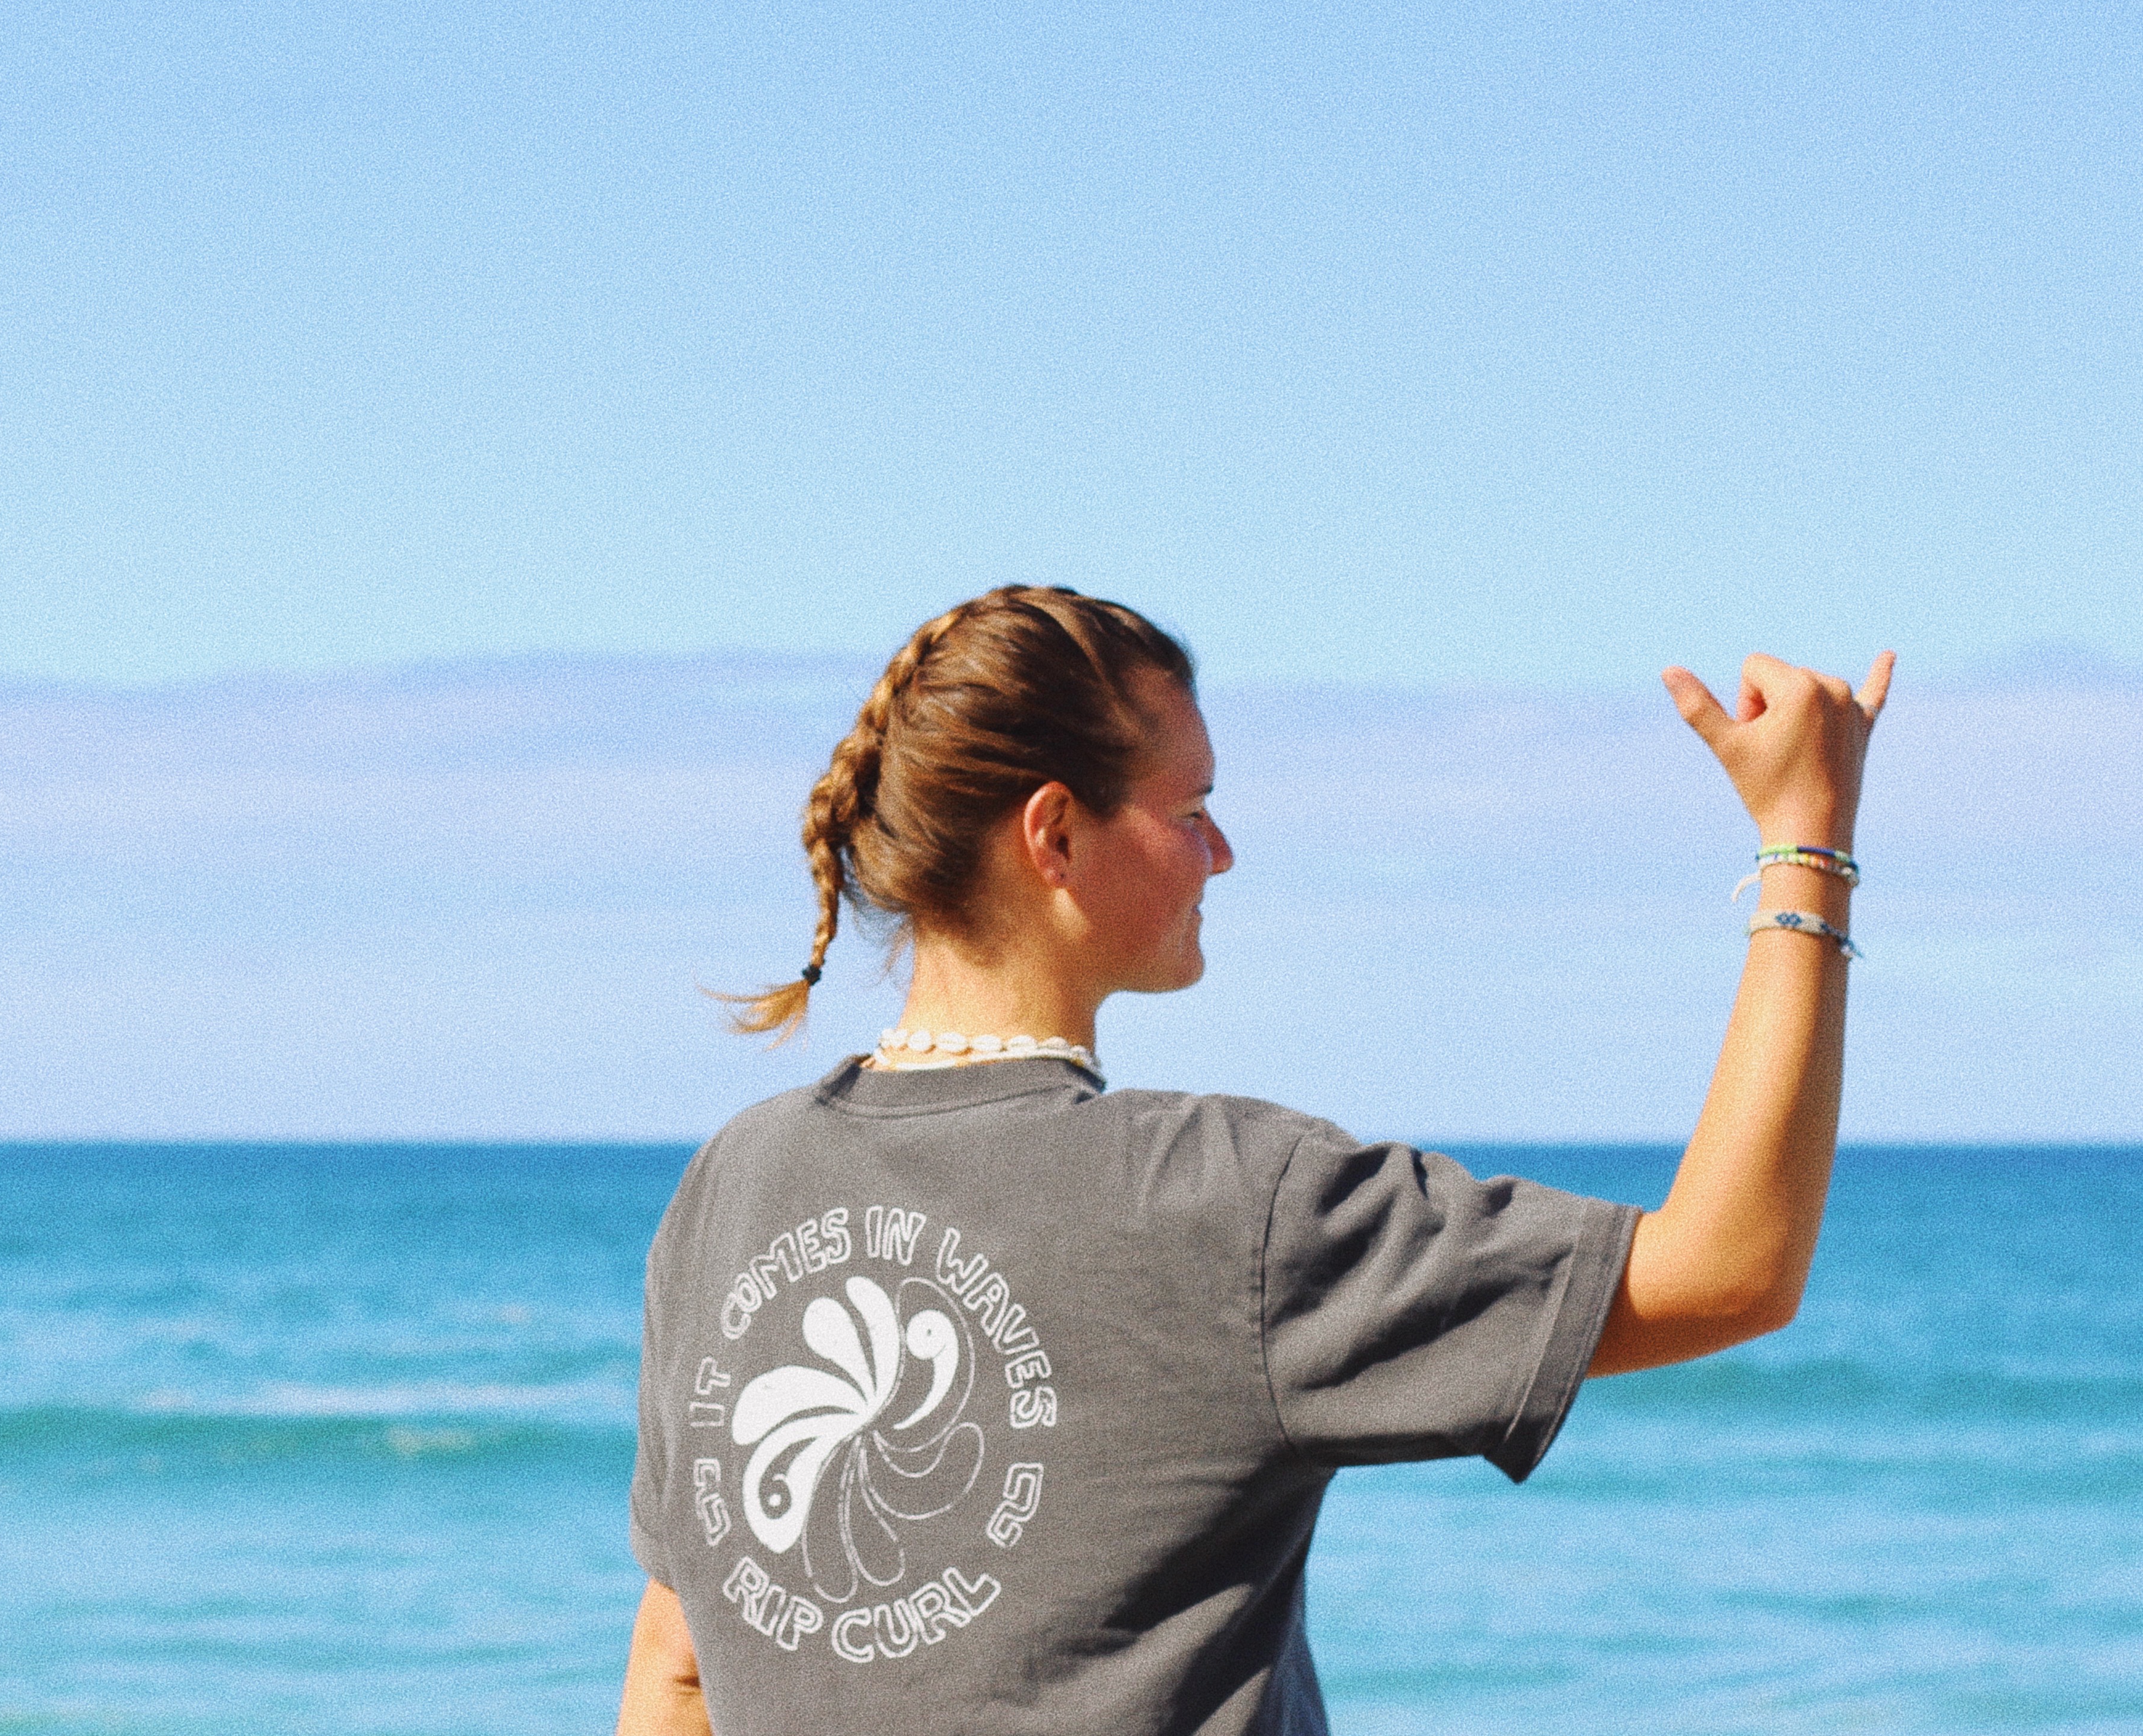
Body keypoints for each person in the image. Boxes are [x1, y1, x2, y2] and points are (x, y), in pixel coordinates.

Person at [614, 584, 1891, 1736]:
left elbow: (677, 1672)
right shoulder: (1225, 1202)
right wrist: (1805, 839)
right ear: (1053, 834)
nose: (1220, 853)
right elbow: (1729, 1268)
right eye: (1191, 809)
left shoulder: (736, 1182)